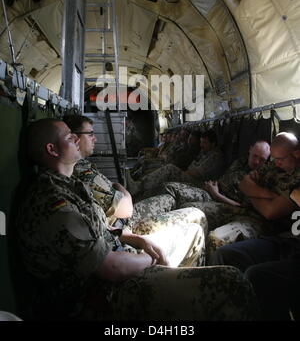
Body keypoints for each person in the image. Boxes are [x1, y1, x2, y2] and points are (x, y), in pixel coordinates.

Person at [15, 118, 258, 321]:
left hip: (119, 256)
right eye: (70, 137)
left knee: (192, 230)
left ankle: (182, 298)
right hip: (102, 298)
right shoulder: (54, 202)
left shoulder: (71, 185)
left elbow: (100, 228)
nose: (77, 139)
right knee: (233, 284)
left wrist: (134, 239)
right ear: (52, 150)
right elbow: (111, 268)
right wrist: (148, 259)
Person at [63, 115, 207, 259]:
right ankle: (135, 188)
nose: (95, 138)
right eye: (90, 134)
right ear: (75, 139)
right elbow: (126, 210)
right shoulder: (79, 171)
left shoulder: (79, 167)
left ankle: (136, 187)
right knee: (194, 215)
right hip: (124, 224)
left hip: (118, 222)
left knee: (169, 197)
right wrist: (125, 193)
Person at [209, 132, 300, 320]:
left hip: (285, 239)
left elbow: (270, 212)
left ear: (296, 154)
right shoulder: (273, 169)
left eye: (280, 159)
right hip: (286, 240)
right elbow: (244, 183)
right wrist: (264, 195)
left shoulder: (296, 177)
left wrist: (253, 194)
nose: (275, 163)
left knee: (257, 276)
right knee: (225, 254)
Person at [128, 129, 224, 201]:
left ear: (213, 143)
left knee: (170, 169)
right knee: (166, 171)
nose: (201, 145)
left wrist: (179, 174)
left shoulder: (215, 156)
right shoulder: (204, 152)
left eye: (205, 143)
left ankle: (137, 187)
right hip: (191, 176)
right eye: (201, 142)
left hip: (202, 184)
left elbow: (196, 173)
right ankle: (139, 189)